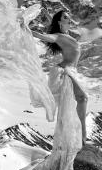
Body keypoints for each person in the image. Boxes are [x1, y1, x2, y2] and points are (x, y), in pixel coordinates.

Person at [29, 10, 88, 146]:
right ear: (61, 22)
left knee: (73, 104)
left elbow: (58, 25)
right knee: (82, 98)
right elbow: (44, 36)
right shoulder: (58, 36)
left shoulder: (65, 34)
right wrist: (25, 28)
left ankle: (77, 137)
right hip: (63, 72)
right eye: (66, 17)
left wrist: (49, 16)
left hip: (70, 71)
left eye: (69, 16)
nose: (69, 19)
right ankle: (82, 137)